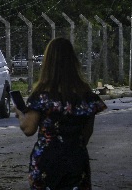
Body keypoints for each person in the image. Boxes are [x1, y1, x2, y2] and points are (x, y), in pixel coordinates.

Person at [16, 37, 106, 190]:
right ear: (73, 62)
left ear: (48, 63)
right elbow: (86, 133)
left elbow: (29, 129)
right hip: (76, 161)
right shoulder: (86, 96)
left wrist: (20, 114)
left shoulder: (42, 96)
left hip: (47, 162)